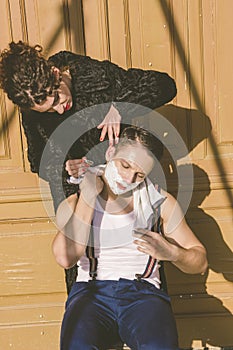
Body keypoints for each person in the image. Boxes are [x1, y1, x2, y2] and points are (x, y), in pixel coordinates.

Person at [0, 41, 177, 292]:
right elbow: (39, 160)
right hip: (79, 200)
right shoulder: (32, 107)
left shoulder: (95, 76)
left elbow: (165, 85)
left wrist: (118, 106)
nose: (59, 109)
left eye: (57, 99)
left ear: (55, 73)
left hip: (123, 191)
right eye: (49, 110)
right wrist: (65, 167)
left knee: (140, 272)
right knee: (82, 285)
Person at [52, 126, 208, 350]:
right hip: (91, 291)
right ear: (110, 152)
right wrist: (88, 195)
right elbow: (65, 258)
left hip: (142, 294)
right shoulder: (75, 201)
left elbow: (200, 261)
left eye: (140, 174)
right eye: (124, 165)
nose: (128, 178)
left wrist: (171, 252)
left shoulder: (160, 203)